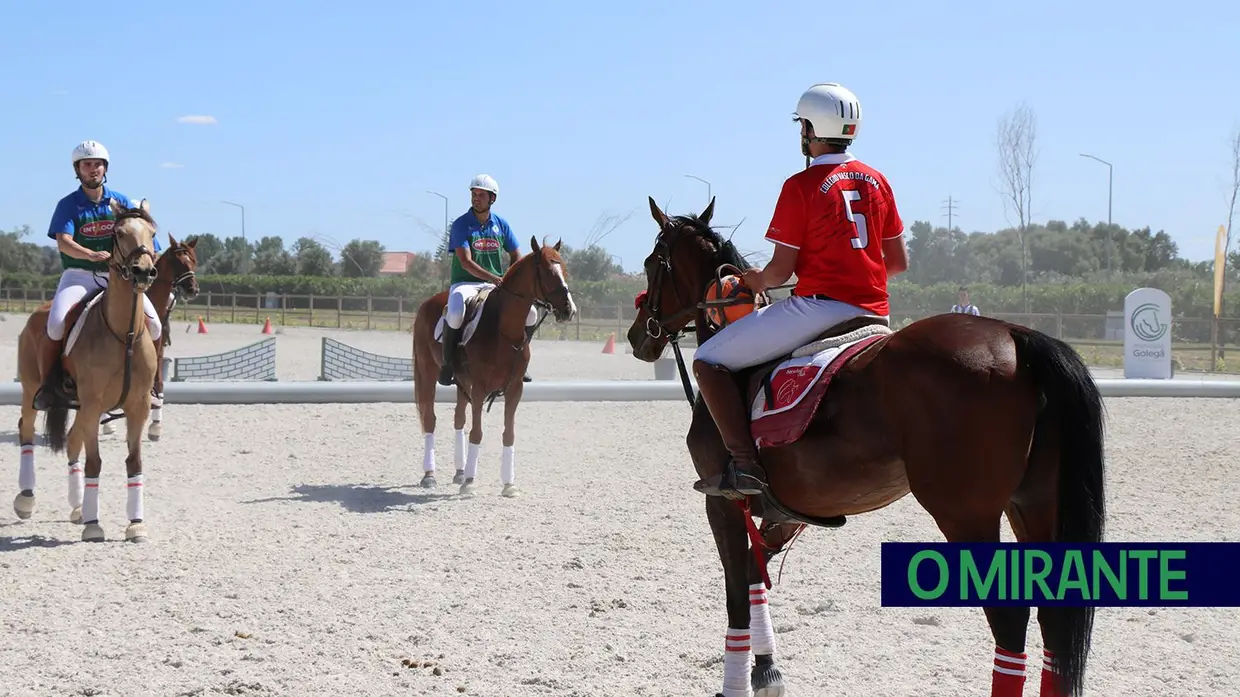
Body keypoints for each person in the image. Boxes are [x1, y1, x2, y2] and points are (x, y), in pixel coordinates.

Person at [689, 83, 910, 499]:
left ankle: (745, 466)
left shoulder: (802, 185)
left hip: (819, 310)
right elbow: (896, 262)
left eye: (802, 126)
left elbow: (778, 272)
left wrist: (754, 280)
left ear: (810, 129)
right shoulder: (879, 181)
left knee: (707, 359)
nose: (802, 134)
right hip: (875, 314)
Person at [32, 140, 164, 411]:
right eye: (87, 165)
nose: (93, 169)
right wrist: (90, 255)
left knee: (155, 326)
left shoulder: (123, 202)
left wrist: (152, 257)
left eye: (97, 164)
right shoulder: (68, 205)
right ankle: (49, 386)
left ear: (106, 169)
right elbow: (63, 241)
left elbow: (147, 239)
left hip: (118, 278)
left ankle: (151, 385)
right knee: (56, 324)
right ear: (77, 170)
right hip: (78, 276)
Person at [438, 173, 539, 386]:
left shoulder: (501, 224)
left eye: (481, 195)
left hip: (494, 284)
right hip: (465, 283)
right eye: (474, 194)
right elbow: (465, 262)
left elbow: (517, 256)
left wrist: (510, 279)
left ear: (492, 198)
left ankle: (521, 361)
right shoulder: (461, 224)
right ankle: (448, 364)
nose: (476, 198)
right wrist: (494, 277)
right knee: (455, 313)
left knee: (531, 313)